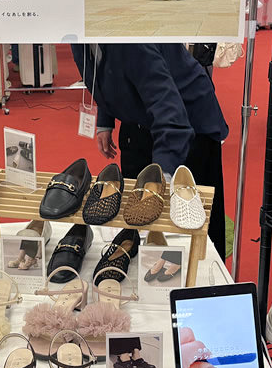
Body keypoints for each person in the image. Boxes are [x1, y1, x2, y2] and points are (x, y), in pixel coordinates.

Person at [71, 43, 229, 255]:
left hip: (188, 119)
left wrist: (162, 176)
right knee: (136, 209)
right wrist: (105, 121)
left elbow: (172, 118)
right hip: (141, 115)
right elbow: (100, 70)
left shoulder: (133, 43)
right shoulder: (77, 36)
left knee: (191, 220)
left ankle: (204, 273)